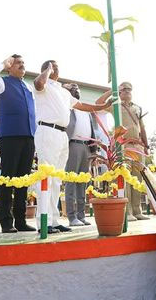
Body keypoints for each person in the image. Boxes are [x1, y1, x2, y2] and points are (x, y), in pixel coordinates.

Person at [33, 60, 113, 234]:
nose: (56, 68)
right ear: (46, 69)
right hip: (47, 130)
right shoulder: (43, 85)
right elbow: (38, 83)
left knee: (56, 180)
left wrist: (103, 106)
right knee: (46, 178)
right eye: (52, 66)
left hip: (62, 135)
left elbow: (82, 106)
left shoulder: (63, 91)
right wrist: (47, 70)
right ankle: (43, 222)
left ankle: (53, 220)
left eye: (57, 66)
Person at [0, 55, 37, 233]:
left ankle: (21, 221)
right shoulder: (2, 82)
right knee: (7, 179)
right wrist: (2, 64)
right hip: (10, 137)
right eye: (18, 63)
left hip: (28, 137)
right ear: (9, 67)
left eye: (24, 63)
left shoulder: (28, 86)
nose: (22, 65)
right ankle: (6, 222)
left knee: (23, 181)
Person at [97, 81, 149, 221]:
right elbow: (98, 103)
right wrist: (112, 91)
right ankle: (128, 211)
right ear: (120, 92)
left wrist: (146, 145)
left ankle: (137, 210)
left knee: (137, 178)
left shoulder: (138, 108)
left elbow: (142, 127)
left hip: (137, 146)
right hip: (123, 146)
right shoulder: (116, 106)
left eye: (129, 90)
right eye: (124, 89)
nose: (127, 92)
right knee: (125, 178)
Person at [63, 82, 99, 227]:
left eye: (77, 89)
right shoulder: (67, 107)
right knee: (71, 181)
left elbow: (92, 131)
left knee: (83, 182)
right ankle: (71, 217)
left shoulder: (86, 110)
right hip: (73, 145)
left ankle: (81, 215)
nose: (76, 91)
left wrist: (94, 150)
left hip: (86, 148)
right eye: (72, 89)